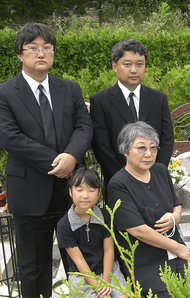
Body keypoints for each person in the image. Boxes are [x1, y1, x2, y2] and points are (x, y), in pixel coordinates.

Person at [0, 22, 93, 297]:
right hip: (29, 191)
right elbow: (9, 136)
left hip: (72, 191)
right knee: (33, 266)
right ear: (20, 54)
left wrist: (72, 156)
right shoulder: (4, 92)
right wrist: (58, 161)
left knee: (81, 261)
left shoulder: (70, 88)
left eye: (47, 48)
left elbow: (84, 126)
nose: (41, 53)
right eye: (33, 48)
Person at [107, 121, 190, 297]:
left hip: (175, 253)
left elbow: (177, 204)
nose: (148, 154)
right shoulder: (118, 185)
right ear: (126, 151)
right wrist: (177, 247)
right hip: (144, 259)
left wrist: (174, 218)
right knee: (163, 293)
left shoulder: (160, 170)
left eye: (153, 148)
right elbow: (139, 231)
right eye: (141, 148)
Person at [90, 39, 174, 201]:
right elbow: (101, 147)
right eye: (127, 64)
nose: (134, 70)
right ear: (115, 66)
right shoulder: (101, 101)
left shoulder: (158, 99)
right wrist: (125, 179)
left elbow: (167, 138)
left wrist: (155, 173)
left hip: (155, 183)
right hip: (119, 184)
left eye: (140, 64)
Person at [57, 168, 128, 298]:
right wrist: (98, 287)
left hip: (108, 270)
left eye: (91, 190)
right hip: (81, 274)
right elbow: (79, 261)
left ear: (99, 192)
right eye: (79, 190)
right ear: (70, 192)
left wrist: (106, 282)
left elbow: (109, 251)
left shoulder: (105, 215)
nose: (85, 195)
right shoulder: (64, 225)